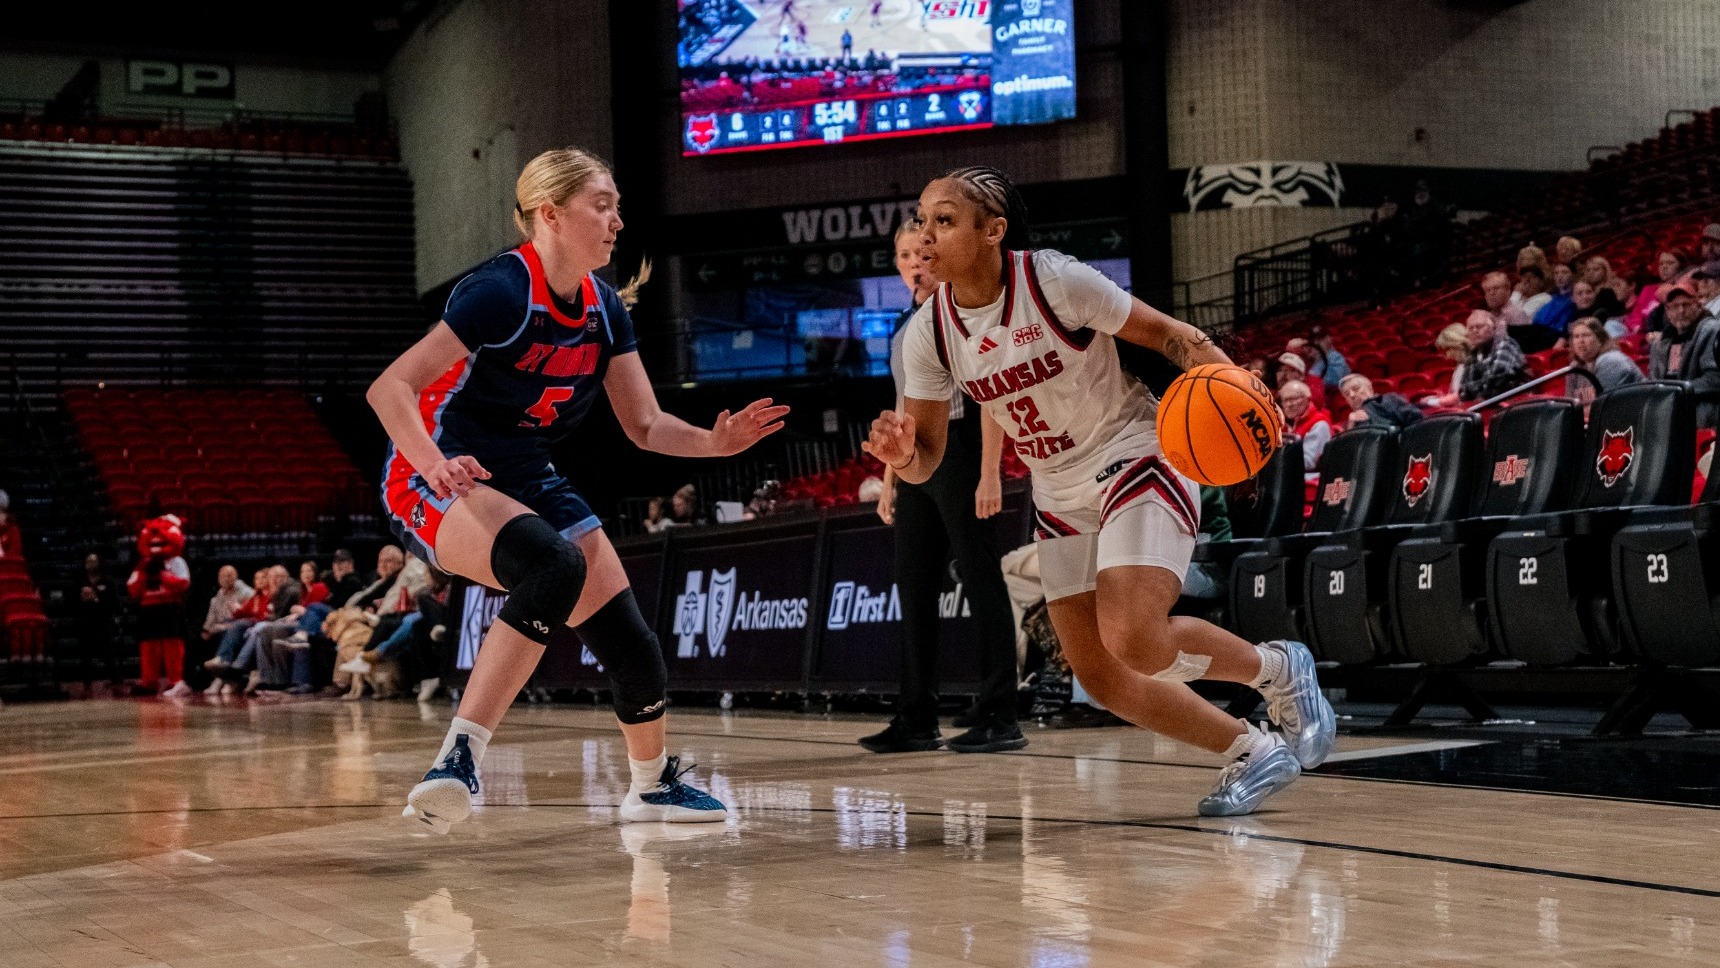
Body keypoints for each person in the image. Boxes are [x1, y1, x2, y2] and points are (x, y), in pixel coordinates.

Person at [864, 165, 1334, 817]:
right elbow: (929, 461)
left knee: (1135, 637)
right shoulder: (929, 333)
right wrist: (903, 457)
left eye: (944, 220)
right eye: (922, 219)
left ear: (993, 230)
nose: (926, 234)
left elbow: (1174, 336)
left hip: (1134, 453)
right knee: (1101, 674)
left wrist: (1242, 396)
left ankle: (1278, 669)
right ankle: (1253, 751)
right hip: (1059, 491)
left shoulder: (1055, 281)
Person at [369, 146, 788, 833]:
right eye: (603, 205)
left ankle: (652, 786)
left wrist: (715, 442)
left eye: (618, 205)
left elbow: (647, 425)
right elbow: (390, 388)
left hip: (522, 469)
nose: (618, 220)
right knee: (552, 563)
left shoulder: (603, 307)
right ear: (551, 214)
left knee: (627, 633)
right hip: (437, 466)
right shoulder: (502, 290)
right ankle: (456, 761)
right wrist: (433, 463)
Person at [862, 219, 1022, 755]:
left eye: (924, 253)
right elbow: (904, 406)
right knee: (913, 582)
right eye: (906, 254)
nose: (915, 262)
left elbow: (993, 394)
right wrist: (891, 480)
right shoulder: (906, 323)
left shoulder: (963, 313)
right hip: (915, 458)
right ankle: (917, 716)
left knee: (981, 576)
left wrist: (989, 471)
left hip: (962, 448)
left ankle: (1001, 711)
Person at [1649, 278, 1720, 427]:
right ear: (1667, 312)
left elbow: (1714, 379)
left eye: (1686, 305)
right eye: (1674, 307)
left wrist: (1676, 391)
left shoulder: (1712, 331)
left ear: (1699, 305)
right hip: (1671, 406)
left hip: (1702, 407)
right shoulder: (1661, 342)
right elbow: (1654, 379)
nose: (1681, 311)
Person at [1566, 317, 1644, 408]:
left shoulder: (1611, 361)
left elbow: (1606, 408)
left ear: (1600, 338)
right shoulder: (1575, 368)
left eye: (1586, 335)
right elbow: (1570, 407)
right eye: (1576, 337)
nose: (1580, 341)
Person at [1458, 309, 1529, 403]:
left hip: (1517, 402)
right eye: (1471, 328)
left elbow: (1498, 378)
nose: (1475, 331)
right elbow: (1463, 391)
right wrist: (1479, 387)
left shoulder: (1505, 344)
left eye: (1479, 326)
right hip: (1491, 404)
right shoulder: (1473, 354)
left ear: (1494, 328)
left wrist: (1474, 388)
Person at [75, 551, 122, 686]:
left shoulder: (108, 582)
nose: (91, 564)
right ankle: (87, 686)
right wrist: (82, 599)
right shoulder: (80, 582)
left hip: (103, 622)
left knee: (109, 655)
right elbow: (71, 602)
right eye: (88, 561)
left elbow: (115, 603)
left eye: (94, 561)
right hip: (85, 623)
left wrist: (96, 598)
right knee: (85, 657)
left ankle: (117, 683)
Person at [1277, 379, 1332, 490]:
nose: (1288, 405)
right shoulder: (1286, 425)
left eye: (1293, 399)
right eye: (1284, 401)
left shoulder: (1319, 423)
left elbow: (1308, 462)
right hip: (1289, 478)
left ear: (1307, 399)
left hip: (1309, 482)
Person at [1339, 374, 1424, 430]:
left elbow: (1417, 420)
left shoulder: (1389, 400)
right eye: (1347, 394)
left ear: (1369, 388)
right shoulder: (1349, 423)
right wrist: (1351, 425)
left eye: (1356, 388)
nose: (1352, 395)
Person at [1422, 322, 1470, 408]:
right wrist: (1439, 398)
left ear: (1457, 346)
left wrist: (1430, 402)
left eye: (1447, 350)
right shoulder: (1460, 365)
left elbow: (1459, 396)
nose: (1446, 357)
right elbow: (1453, 394)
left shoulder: (1472, 364)